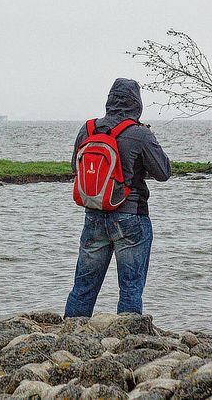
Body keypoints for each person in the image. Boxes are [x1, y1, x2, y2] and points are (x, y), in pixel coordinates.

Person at [64, 77, 171, 317]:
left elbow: (76, 168)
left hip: (93, 214)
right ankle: (129, 342)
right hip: (131, 216)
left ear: (109, 100)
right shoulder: (139, 134)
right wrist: (148, 139)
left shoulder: (88, 129)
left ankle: (69, 337)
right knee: (130, 288)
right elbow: (163, 172)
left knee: (83, 288)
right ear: (137, 103)